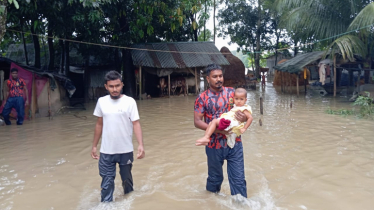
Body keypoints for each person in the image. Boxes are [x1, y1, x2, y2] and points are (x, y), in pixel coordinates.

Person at [194, 64, 253, 198]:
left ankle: (241, 206)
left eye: (220, 76)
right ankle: (211, 203)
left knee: (238, 181)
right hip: (214, 146)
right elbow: (197, 121)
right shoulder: (202, 98)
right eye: (215, 77)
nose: (219, 79)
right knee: (215, 180)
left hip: (234, 144)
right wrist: (218, 131)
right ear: (208, 79)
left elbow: (244, 110)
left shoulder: (232, 93)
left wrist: (244, 117)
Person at [91, 70, 145, 202]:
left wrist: (141, 145)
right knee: (106, 184)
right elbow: (99, 125)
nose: (115, 89)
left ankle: (129, 203)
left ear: (122, 85)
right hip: (106, 151)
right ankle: (106, 206)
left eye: (117, 86)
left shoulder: (130, 102)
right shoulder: (101, 102)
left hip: (125, 150)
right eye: (111, 86)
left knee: (127, 182)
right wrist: (94, 146)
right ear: (106, 87)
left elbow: (136, 124)